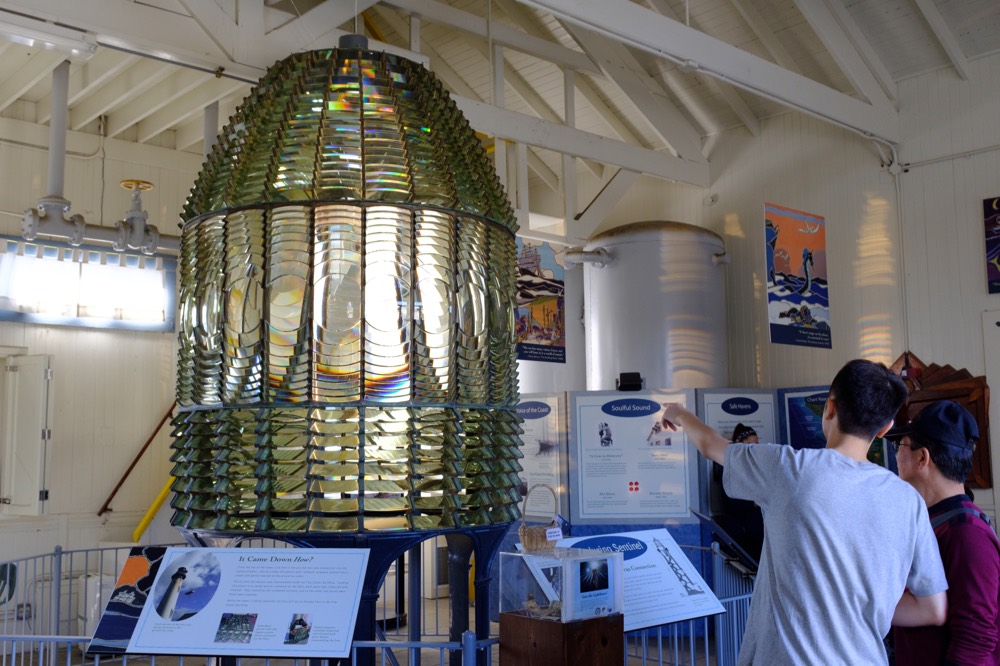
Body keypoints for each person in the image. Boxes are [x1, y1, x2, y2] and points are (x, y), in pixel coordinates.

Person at [661, 359, 947, 665]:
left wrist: (678, 412)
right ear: (885, 428)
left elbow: (709, 444)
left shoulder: (787, 468)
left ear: (830, 408)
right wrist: (863, 603)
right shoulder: (908, 501)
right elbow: (934, 609)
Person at [889, 400, 1000, 665]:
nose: (895, 455)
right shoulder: (934, 521)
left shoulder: (967, 534)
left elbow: (975, 638)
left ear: (922, 457)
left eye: (899, 445)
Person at [713, 423, 764, 562]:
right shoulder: (728, 467)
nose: (754, 448)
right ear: (738, 444)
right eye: (750, 444)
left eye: (757, 444)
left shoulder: (756, 467)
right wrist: (754, 503)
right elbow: (729, 502)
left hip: (757, 535)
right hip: (739, 535)